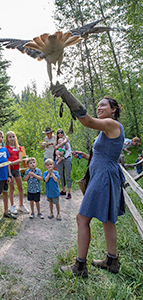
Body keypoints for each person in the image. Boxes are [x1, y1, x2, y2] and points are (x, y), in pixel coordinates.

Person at [51, 83, 125, 277]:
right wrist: (86, 156)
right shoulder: (108, 128)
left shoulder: (112, 124)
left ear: (114, 110)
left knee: (82, 218)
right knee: (108, 220)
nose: (99, 108)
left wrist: (66, 95)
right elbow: (107, 154)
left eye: (104, 105)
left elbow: (87, 121)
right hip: (105, 175)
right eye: (98, 105)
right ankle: (111, 261)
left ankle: (80, 267)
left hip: (104, 178)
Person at [5, 131, 29, 214]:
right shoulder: (6, 148)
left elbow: (20, 160)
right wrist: (9, 164)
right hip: (9, 170)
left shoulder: (18, 147)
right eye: (10, 137)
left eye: (13, 136)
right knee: (12, 188)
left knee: (20, 187)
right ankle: (12, 205)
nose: (12, 138)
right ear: (7, 139)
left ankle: (21, 205)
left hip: (16, 169)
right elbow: (6, 160)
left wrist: (11, 163)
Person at [54, 129, 72, 199]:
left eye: (61, 133)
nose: (60, 134)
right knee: (61, 175)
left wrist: (59, 146)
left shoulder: (66, 138)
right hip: (60, 159)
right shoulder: (57, 142)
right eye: (58, 133)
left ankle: (69, 192)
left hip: (67, 158)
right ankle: (63, 190)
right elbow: (55, 148)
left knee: (68, 176)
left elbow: (65, 144)